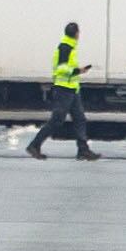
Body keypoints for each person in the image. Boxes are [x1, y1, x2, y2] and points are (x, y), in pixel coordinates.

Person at [28, 21, 93, 158]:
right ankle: (34, 145)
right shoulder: (65, 47)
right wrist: (78, 71)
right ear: (76, 34)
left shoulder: (69, 46)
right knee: (57, 120)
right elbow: (61, 68)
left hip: (72, 89)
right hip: (64, 89)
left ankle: (83, 150)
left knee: (80, 119)